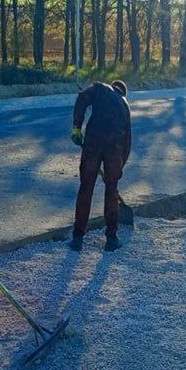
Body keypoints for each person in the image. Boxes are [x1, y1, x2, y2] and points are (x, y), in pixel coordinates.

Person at [70, 80, 131, 252]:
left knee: (86, 187)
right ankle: (111, 239)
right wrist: (120, 167)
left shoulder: (99, 88)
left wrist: (77, 128)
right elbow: (127, 141)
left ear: (114, 86)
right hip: (114, 148)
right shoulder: (125, 105)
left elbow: (81, 99)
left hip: (93, 142)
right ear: (122, 92)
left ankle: (78, 237)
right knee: (111, 190)